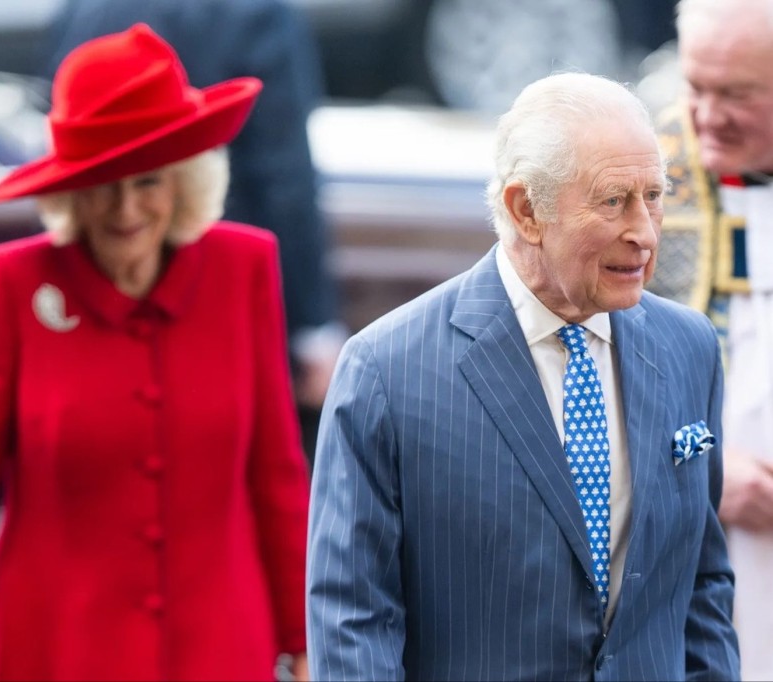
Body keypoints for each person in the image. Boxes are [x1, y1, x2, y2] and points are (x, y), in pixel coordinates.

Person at [0, 24, 309, 682]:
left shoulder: (244, 269)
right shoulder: (13, 284)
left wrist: (305, 638)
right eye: (102, 182)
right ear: (70, 188)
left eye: (147, 182)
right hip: (52, 652)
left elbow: (276, 479)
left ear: (182, 179)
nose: (125, 209)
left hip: (218, 650)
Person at [307, 71, 740, 680]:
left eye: (654, 195)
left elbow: (701, 583)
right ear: (526, 210)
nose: (644, 231)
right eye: (613, 201)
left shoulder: (687, 346)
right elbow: (353, 620)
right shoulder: (388, 369)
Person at [41, 0, 347, 437]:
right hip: (216, 297)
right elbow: (283, 176)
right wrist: (313, 323)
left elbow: (63, 155)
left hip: (101, 293)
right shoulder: (255, 11)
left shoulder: (86, 8)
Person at [647, 0, 773, 678]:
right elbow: (586, 369)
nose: (704, 116)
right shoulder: (638, 171)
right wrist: (702, 470)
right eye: (694, 86)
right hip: (685, 560)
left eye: (737, 94)